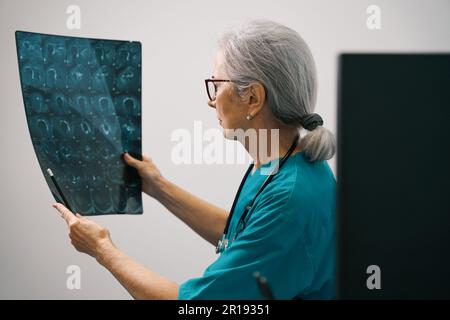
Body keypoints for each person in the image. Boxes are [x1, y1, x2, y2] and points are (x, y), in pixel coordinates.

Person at [53, 19, 337, 300]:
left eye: (216, 85)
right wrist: (158, 187)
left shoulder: (290, 200)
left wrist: (102, 248)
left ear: (252, 98)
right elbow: (246, 233)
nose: (211, 101)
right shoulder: (286, 162)